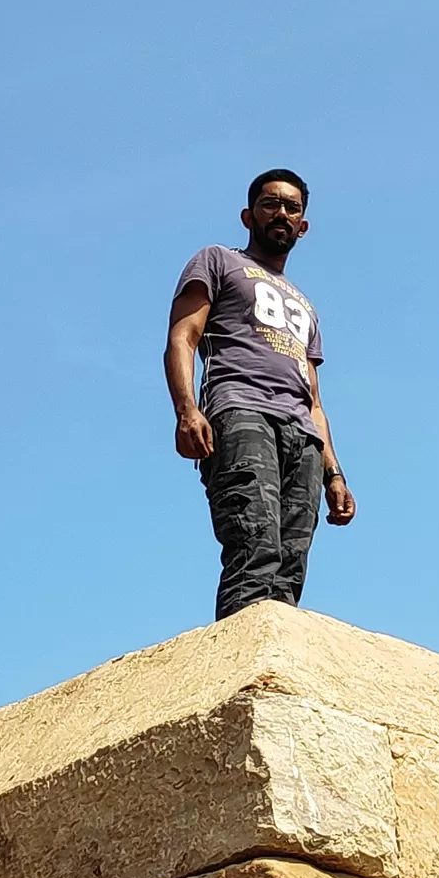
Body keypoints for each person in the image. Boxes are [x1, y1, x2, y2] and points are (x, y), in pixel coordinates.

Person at [164, 168, 355, 620]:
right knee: (254, 547)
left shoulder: (305, 305)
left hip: (302, 436)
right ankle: (239, 677)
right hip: (241, 411)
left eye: (292, 208)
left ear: (303, 226)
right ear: (248, 215)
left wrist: (334, 474)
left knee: (289, 568)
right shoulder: (217, 261)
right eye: (271, 204)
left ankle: (275, 673)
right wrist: (186, 409)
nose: (281, 214)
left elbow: (314, 400)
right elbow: (183, 337)